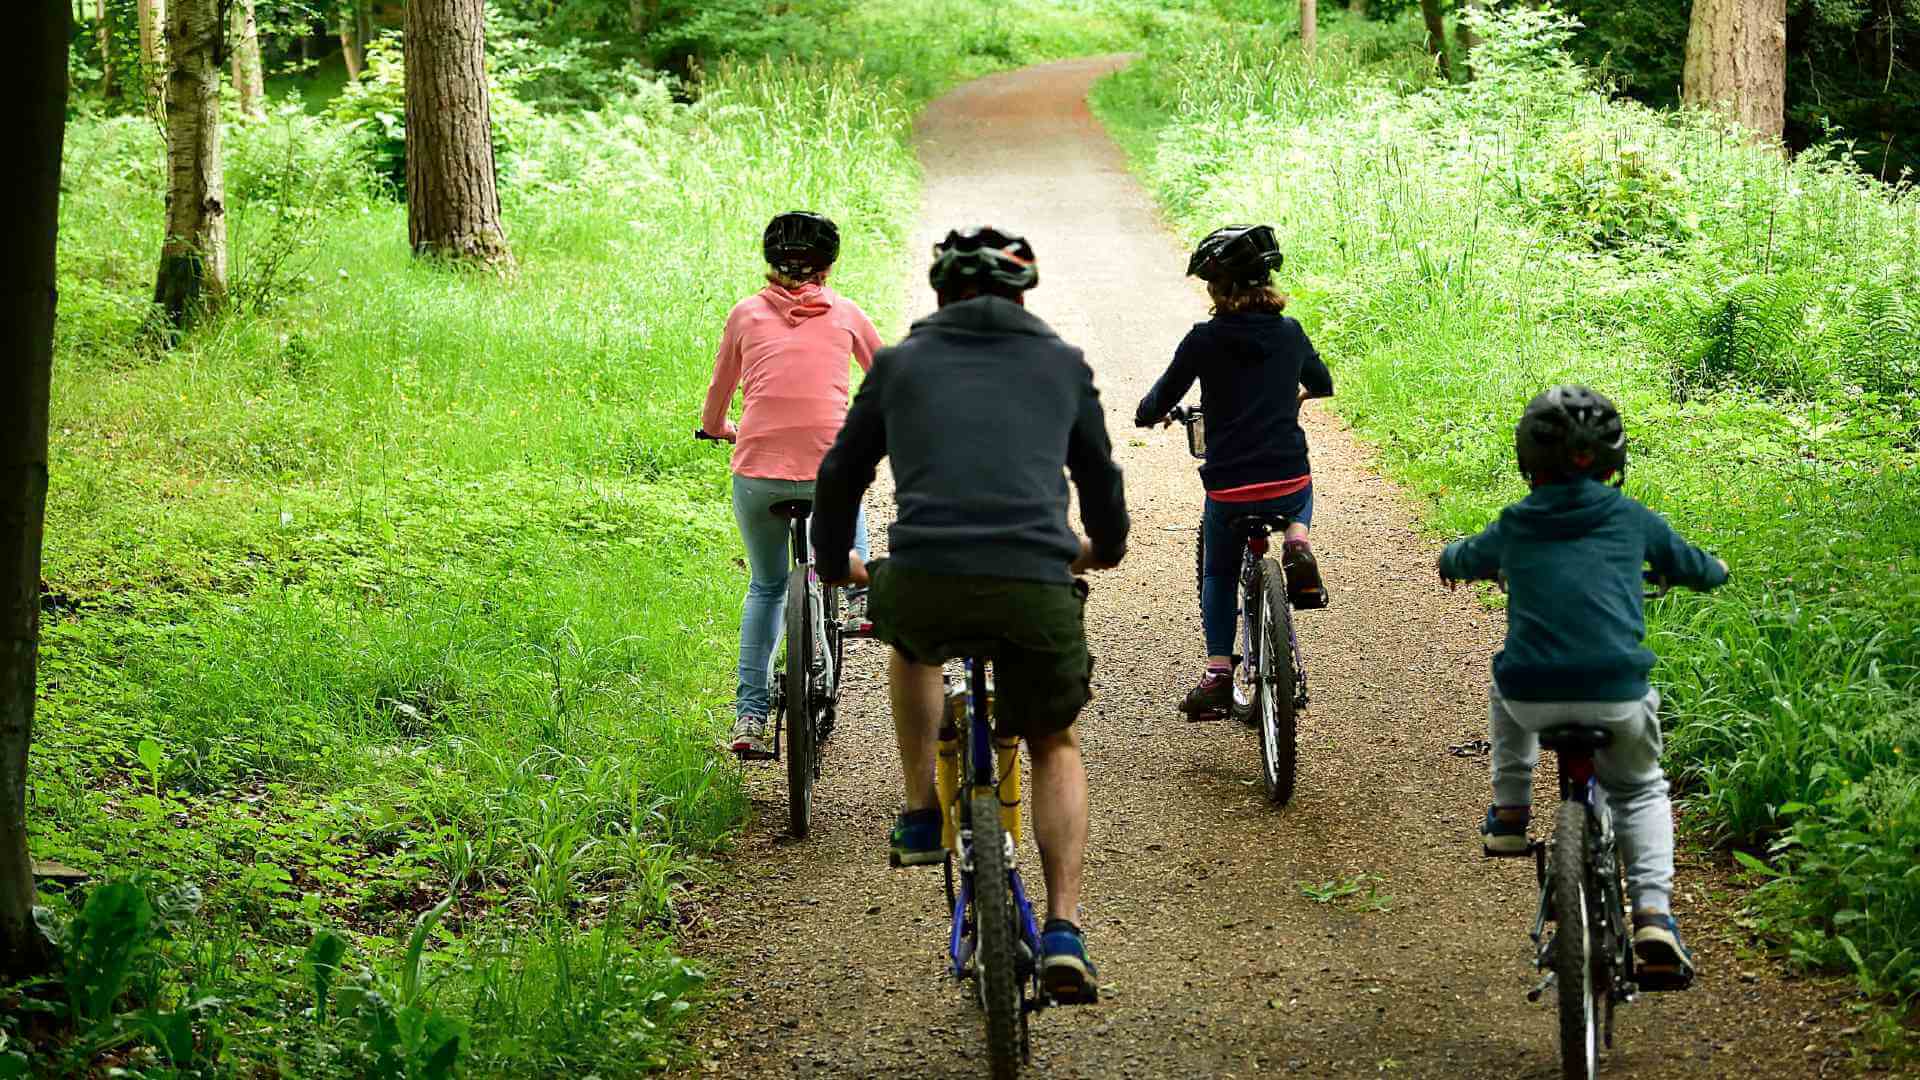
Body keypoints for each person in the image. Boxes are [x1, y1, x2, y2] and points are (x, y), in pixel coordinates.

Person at [811, 226, 1129, 1004]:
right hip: (1034, 580)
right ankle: (1063, 929)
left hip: (926, 577)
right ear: (1025, 295)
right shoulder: (1061, 363)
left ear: (941, 293)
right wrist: (1102, 549)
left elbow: (841, 473)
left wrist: (833, 564)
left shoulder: (899, 366)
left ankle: (922, 812)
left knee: (912, 647)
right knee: (1054, 738)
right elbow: (1100, 477)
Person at [1437, 384, 1729, 983]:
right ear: (1614, 460)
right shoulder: (1631, 518)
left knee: (1504, 684)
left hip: (1533, 696)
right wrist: (1712, 569)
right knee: (1642, 790)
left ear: (1528, 460)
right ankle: (1652, 915)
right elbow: (1695, 565)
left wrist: (1453, 559)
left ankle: (1512, 811)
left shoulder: (1516, 523)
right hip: (1616, 694)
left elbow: (1467, 556)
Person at [700, 210, 883, 760]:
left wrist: (719, 429)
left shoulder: (745, 315)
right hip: (830, 471)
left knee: (767, 586)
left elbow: (718, 395)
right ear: (828, 265)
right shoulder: (847, 313)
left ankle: (750, 716)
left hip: (758, 472)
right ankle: (855, 591)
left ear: (770, 262)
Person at [1133, 224, 1333, 721]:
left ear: (1218, 290)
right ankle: (1298, 540)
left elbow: (1157, 401)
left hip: (1229, 486)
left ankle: (1220, 671)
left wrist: (1151, 412)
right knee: (1299, 488)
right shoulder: (1289, 331)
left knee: (1219, 571)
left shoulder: (1204, 339)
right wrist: (1299, 394)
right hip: (1286, 478)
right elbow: (1322, 382)